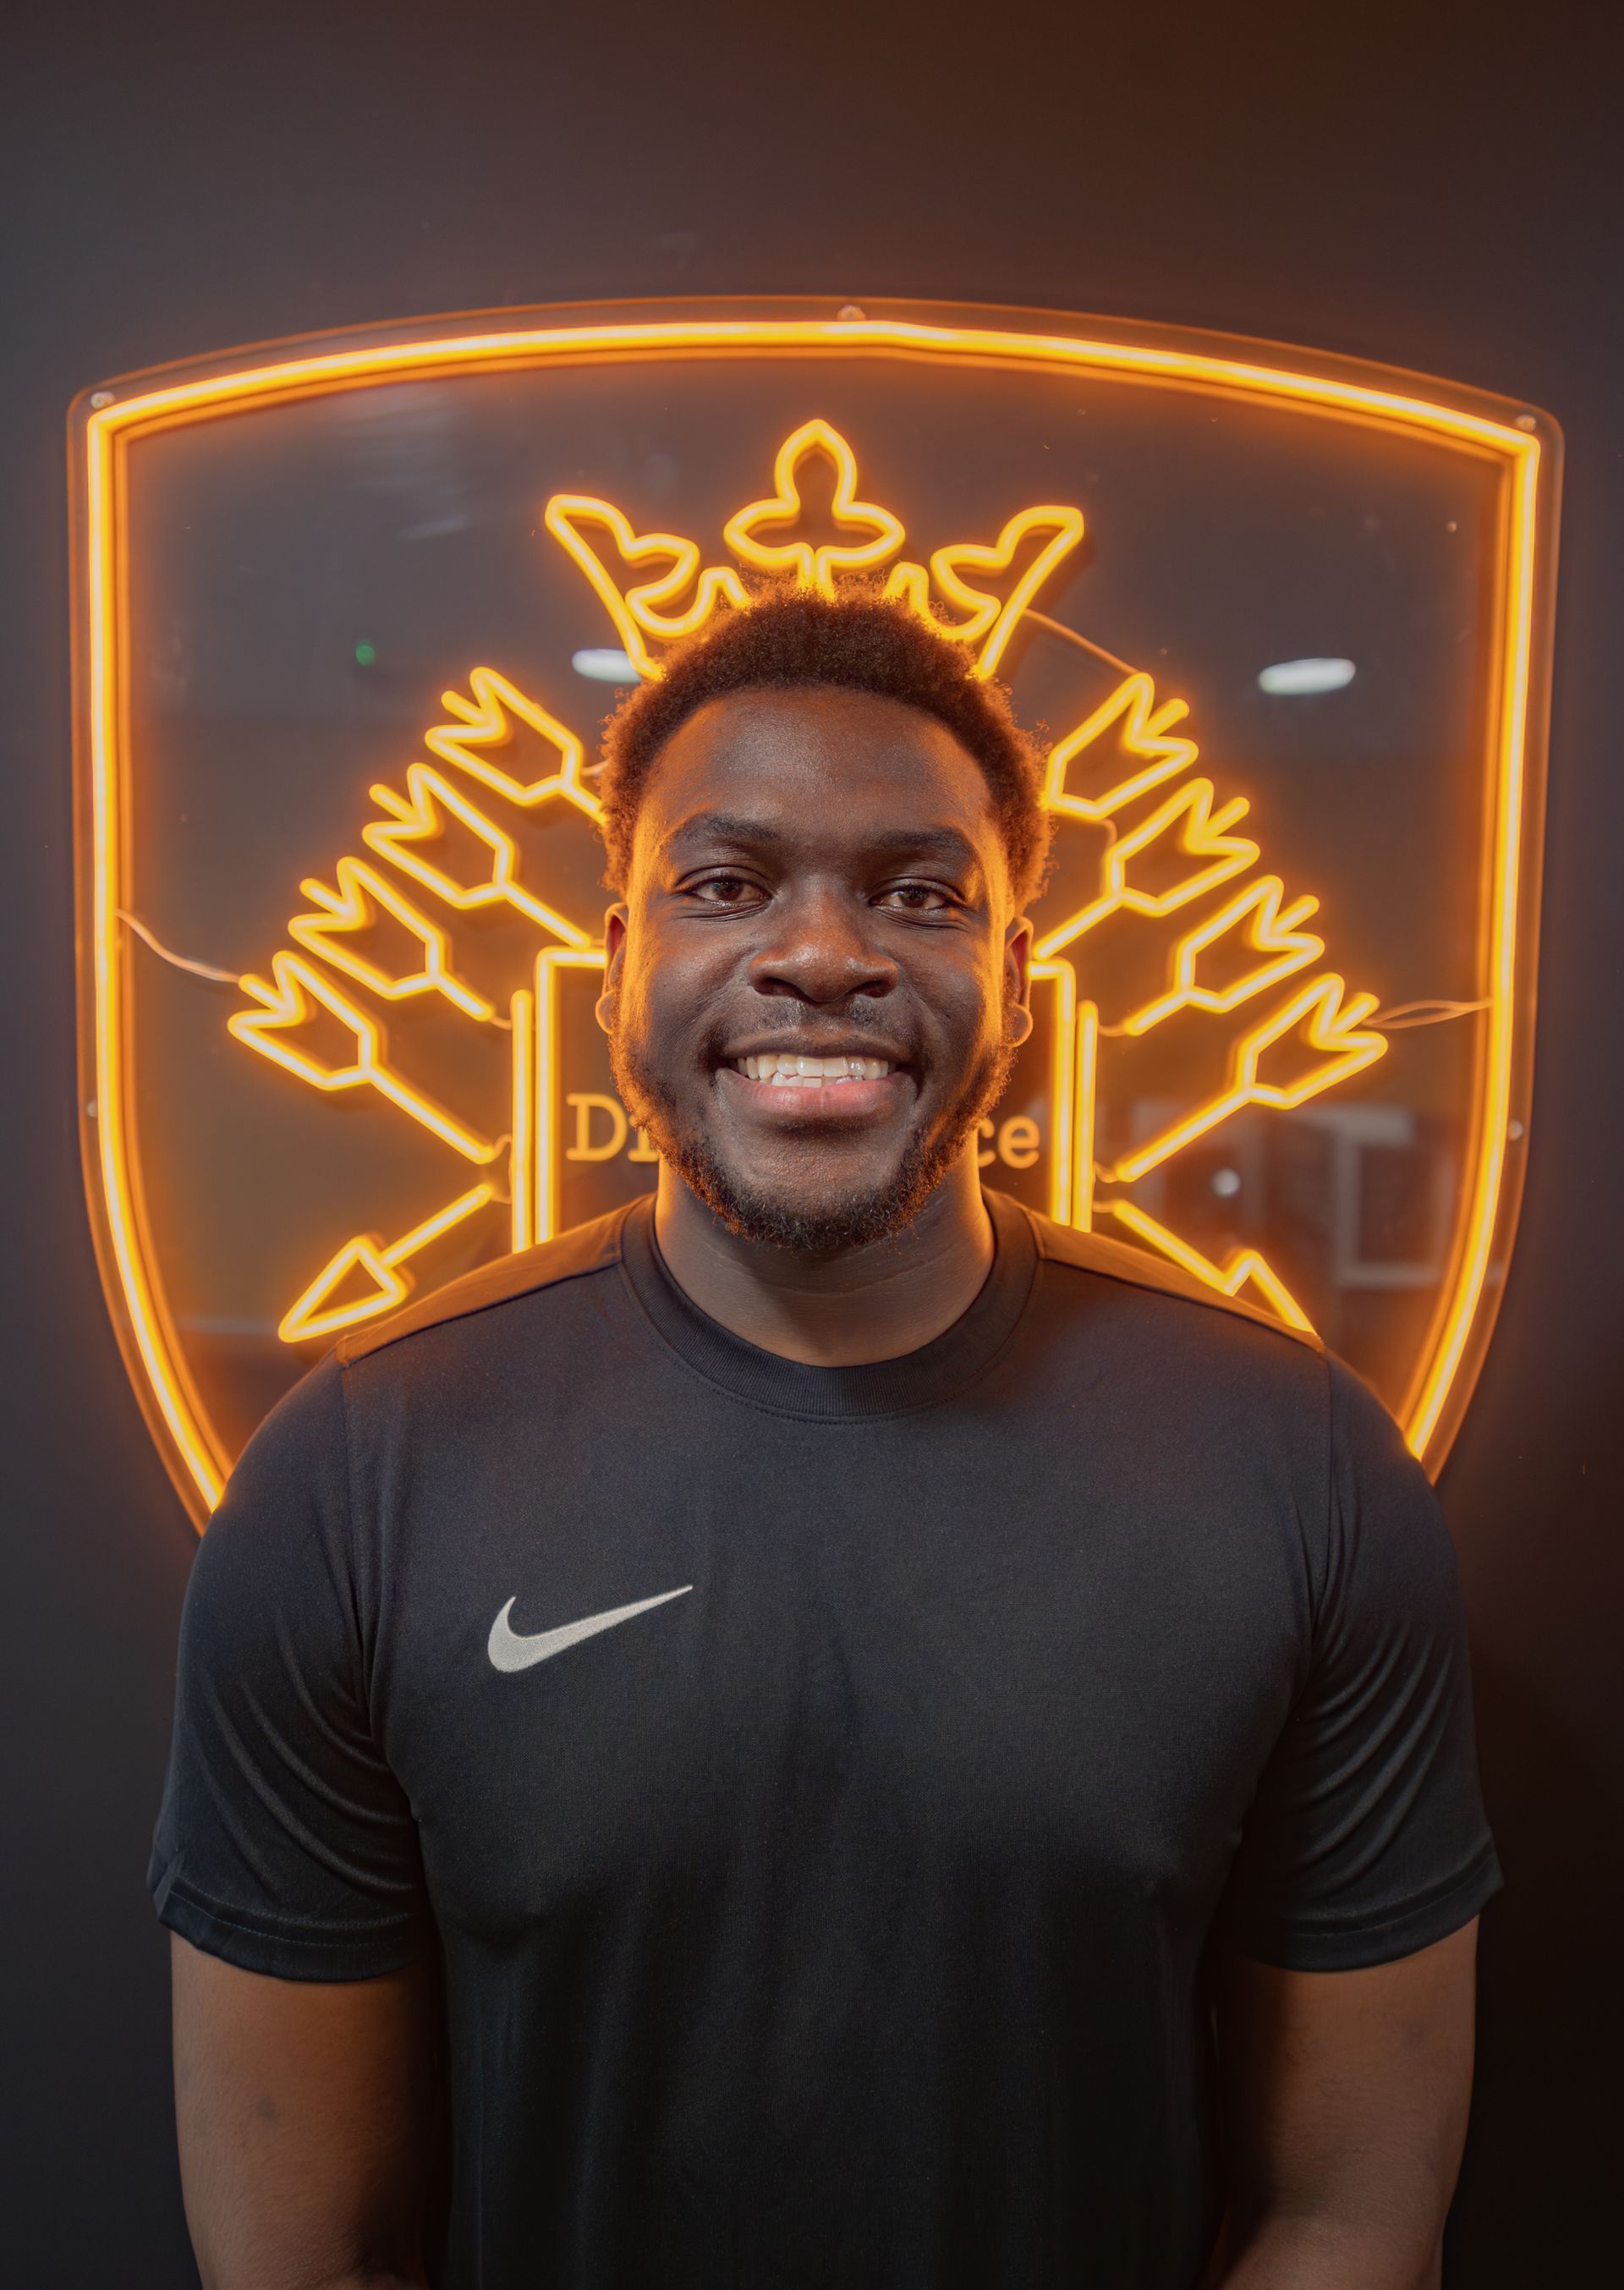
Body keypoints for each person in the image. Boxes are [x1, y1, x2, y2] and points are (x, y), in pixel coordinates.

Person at [152, 590, 1498, 2290]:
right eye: (726, 885)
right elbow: (302, 2248)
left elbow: (1351, 2214)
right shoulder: (351, 1481)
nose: (822, 952)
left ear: (1014, 983)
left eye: (916, 893)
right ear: (616, 964)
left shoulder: (1297, 1466)